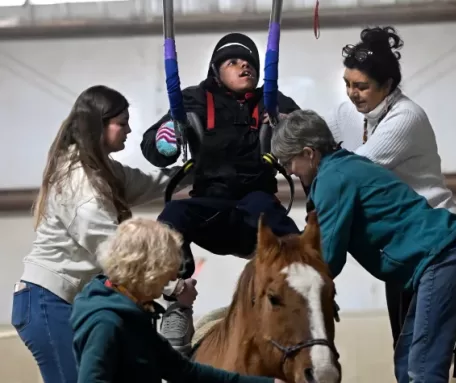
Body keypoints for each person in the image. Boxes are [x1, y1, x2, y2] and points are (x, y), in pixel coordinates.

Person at [271, 109, 456, 383]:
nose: (288, 170)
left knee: (422, 368)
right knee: (407, 364)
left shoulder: (333, 178)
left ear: (309, 153)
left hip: (444, 256)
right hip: (446, 254)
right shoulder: (345, 166)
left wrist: (291, 289)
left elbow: (329, 257)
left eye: (289, 162)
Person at [10, 85, 191, 383]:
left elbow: (154, 183)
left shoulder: (104, 171)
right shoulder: (81, 183)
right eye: (122, 122)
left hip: (60, 301)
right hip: (50, 302)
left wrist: (199, 171)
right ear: (98, 125)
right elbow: (115, 251)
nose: (130, 129)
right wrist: (171, 287)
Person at [140, 32, 301, 354]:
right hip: (210, 207)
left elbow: (309, 134)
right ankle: (177, 304)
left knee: (282, 226)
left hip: (254, 210)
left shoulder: (272, 101)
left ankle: (298, 295)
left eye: (250, 64)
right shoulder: (193, 100)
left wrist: (289, 126)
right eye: (234, 62)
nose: (245, 68)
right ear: (216, 70)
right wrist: (163, 139)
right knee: (171, 218)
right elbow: (153, 149)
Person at [327, 26, 456, 347]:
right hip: (400, 246)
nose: (351, 93)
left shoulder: (406, 117)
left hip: (434, 241)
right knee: (403, 346)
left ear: (387, 85)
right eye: (346, 84)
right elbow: (315, 141)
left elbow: (355, 171)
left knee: (418, 353)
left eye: (361, 87)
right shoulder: (350, 112)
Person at [70, 217, 287, 383]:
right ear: (147, 270)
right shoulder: (106, 323)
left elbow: (185, 372)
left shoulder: (132, 313)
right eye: (168, 268)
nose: (173, 277)